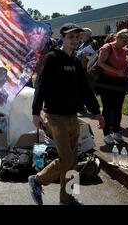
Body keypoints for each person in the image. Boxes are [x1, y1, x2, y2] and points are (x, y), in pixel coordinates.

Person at [29, 23, 105, 205]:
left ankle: (67, 197)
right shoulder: (52, 58)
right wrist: (35, 112)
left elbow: (86, 90)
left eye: (77, 37)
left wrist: (97, 113)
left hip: (72, 116)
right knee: (67, 159)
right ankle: (37, 180)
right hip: (55, 116)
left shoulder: (76, 62)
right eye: (70, 37)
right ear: (62, 37)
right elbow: (41, 86)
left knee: (74, 160)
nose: (74, 40)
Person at [96, 28, 128, 144]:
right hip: (106, 82)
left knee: (117, 107)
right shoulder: (108, 47)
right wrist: (116, 71)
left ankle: (117, 131)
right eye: (124, 40)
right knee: (107, 108)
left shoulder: (127, 50)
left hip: (121, 82)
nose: (127, 42)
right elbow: (100, 63)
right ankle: (106, 133)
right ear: (117, 37)